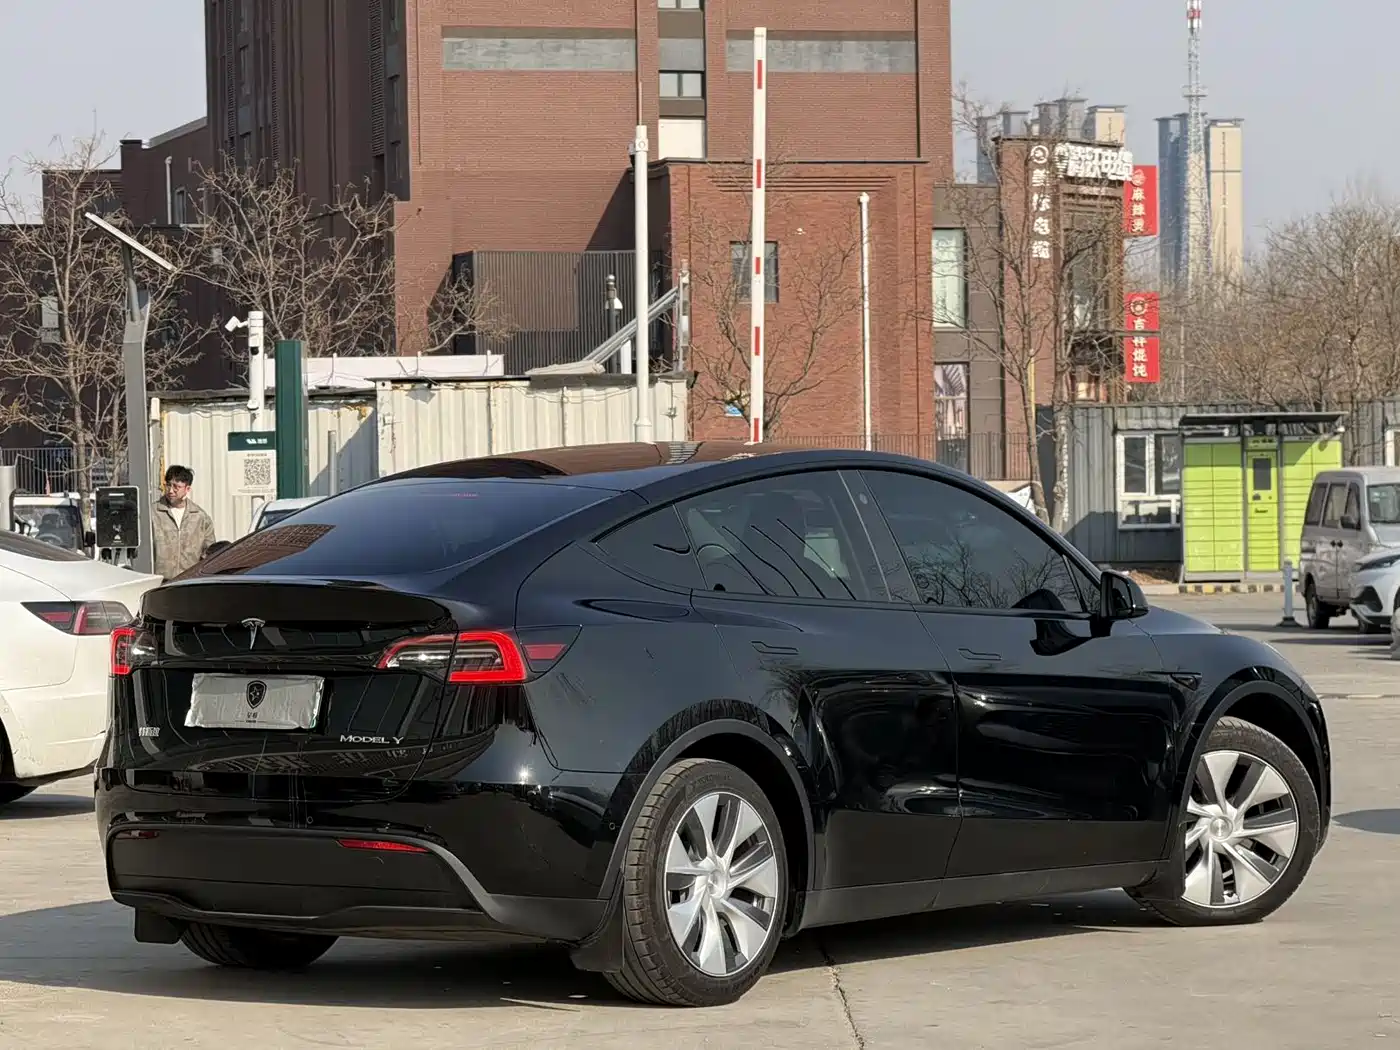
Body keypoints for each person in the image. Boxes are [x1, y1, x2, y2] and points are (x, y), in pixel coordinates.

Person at [152, 465, 216, 581]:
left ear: (187, 489)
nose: (171, 491)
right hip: (158, 582)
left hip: (189, 582)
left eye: (176, 487)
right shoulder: (153, 513)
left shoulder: (199, 517)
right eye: (168, 485)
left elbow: (209, 552)